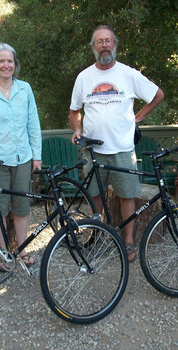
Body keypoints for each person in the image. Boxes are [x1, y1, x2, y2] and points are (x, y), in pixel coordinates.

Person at [68, 25, 164, 262]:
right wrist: (77, 129)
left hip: (122, 149)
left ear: (115, 45)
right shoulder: (84, 77)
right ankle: (96, 236)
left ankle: (128, 242)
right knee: (95, 196)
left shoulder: (128, 74)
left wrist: (137, 118)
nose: (104, 45)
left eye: (108, 41)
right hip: (93, 151)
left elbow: (158, 94)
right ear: (93, 47)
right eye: (99, 41)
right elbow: (73, 111)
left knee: (127, 195)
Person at [0, 43, 42, 267]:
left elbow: (33, 125)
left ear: (15, 64)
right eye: (1, 61)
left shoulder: (25, 89)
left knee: (22, 207)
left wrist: (36, 156)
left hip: (22, 158)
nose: (6, 65)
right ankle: (2, 253)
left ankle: (21, 251)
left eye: (9, 61)